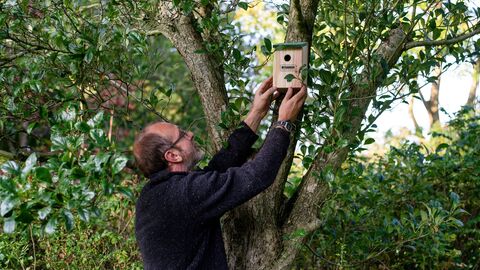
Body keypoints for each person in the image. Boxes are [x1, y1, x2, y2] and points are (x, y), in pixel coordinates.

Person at [133, 77, 307, 269]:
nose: (190, 134)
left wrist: (256, 113)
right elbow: (258, 174)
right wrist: (283, 124)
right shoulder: (184, 194)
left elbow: (216, 169)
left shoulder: (156, 194)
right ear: (173, 155)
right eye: (182, 134)